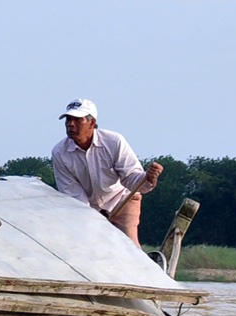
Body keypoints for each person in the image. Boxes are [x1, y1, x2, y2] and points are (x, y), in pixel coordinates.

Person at [52, 99, 162, 244]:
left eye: (77, 120)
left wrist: (148, 179)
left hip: (122, 200)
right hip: (89, 209)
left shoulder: (114, 141)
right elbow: (73, 195)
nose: (70, 124)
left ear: (92, 123)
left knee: (131, 249)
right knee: (92, 249)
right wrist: (93, 220)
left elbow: (131, 178)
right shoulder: (60, 153)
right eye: (68, 119)